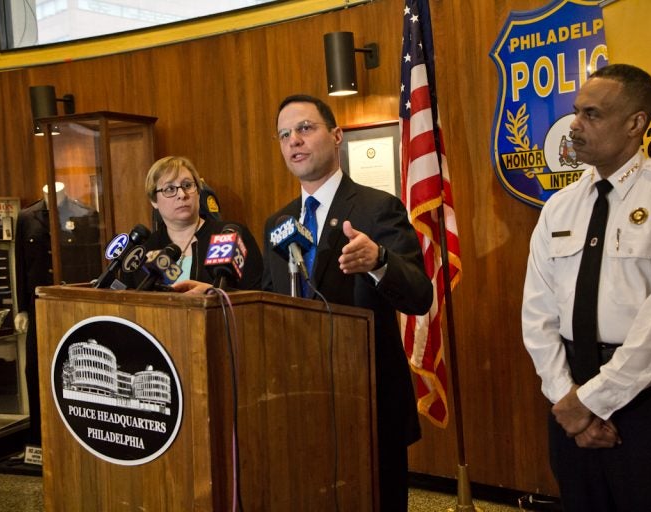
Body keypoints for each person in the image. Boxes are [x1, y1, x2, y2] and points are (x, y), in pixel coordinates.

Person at [521, 63, 651, 511]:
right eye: (575, 112)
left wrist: (594, 401)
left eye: (591, 114)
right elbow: (537, 314)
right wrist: (567, 399)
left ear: (635, 123)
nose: (574, 125)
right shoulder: (559, 207)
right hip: (569, 389)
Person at [260, 94, 433, 512]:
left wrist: (378, 261)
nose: (294, 141)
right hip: (299, 404)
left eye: (305, 128)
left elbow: (419, 294)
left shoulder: (378, 207)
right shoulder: (278, 223)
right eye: (285, 135)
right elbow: (265, 305)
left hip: (367, 401)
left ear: (336, 136)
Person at [15, 181, 100, 447]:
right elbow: (20, 264)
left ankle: (77, 433)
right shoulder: (26, 217)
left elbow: (91, 262)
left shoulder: (83, 214)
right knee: (35, 369)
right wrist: (22, 308)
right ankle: (38, 439)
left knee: (73, 368)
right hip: (39, 304)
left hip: (71, 306)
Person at [125, 156, 262, 291]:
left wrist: (213, 293)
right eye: (169, 189)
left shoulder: (230, 235)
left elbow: (258, 297)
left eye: (187, 185)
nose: (182, 194)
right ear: (154, 201)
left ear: (198, 192)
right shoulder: (145, 249)